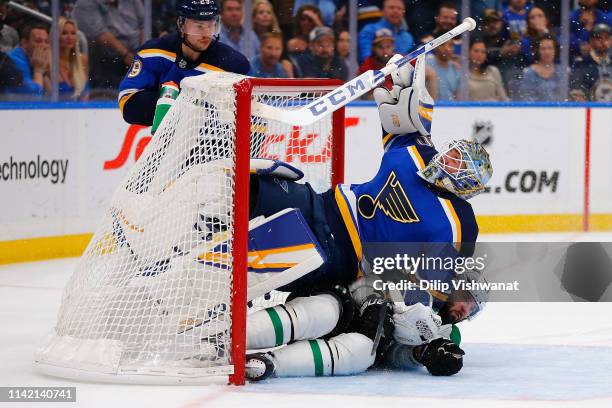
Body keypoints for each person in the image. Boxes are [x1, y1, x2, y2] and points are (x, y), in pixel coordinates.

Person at [117, 0, 250, 126]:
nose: (206, 34)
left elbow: (255, 118)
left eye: (211, 25)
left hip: (215, 145)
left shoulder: (233, 65)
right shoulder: (154, 52)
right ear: (181, 25)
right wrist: (175, 101)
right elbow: (127, 104)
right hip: (169, 144)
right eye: (199, 26)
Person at [73, 0, 144, 91]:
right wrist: (126, 54)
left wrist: (142, 52)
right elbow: (99, 34)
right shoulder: (86, 3)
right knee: (100, 48)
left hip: (136, 49)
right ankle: (104, 94)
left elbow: (144, 25)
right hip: (109, 52)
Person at [570, 23, 612, 101]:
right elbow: (576, 93)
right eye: (599, 38)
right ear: (591, 41)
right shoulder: (580, 64)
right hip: (590, 109)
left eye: (606, 38)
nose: (603, 41)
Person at [7, 23, 50, 96]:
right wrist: (38, 71)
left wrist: (44, 72)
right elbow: (34, 97)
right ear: (24, 43)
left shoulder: (37, 60)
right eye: (38, 41)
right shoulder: (14, 61)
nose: (44, 46)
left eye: (46, 42)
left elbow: (51, 95)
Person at [519, 34, 564, 101]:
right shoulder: (529, 72)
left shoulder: (562, 71)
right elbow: (526, 98)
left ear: (555, 50)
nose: (547, 52)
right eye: (543, 49)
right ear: (537, 51)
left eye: (550, 48)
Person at [58, 17, 89, 101]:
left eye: (73, 33)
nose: (69, 37)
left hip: (80, 110)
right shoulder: (50, 61)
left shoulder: (82, 60)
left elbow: (86, 95)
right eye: (64, 33)